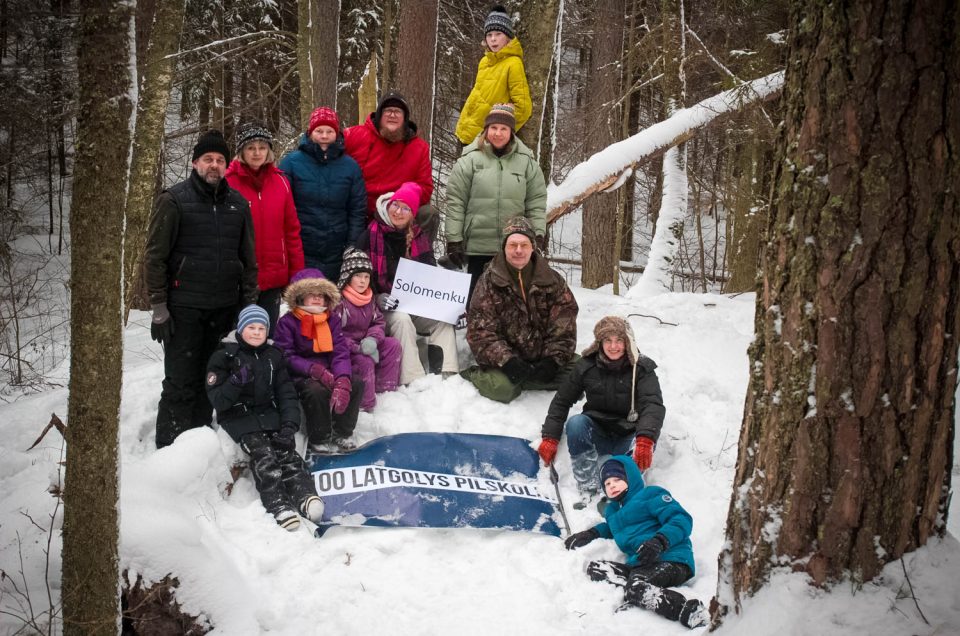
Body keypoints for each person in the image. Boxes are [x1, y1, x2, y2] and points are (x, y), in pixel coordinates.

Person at [145, 129, 258, 449]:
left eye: (220, 160)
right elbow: (155, 258)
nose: (214, 165)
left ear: (227, 166)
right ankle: (168, 451)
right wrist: (159, 308)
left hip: (224, 309)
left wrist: (247, 309)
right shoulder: (174, 200)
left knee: (213, 378)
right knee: (181, 382)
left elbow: (249, 262)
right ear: (195, 163)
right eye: (208, 159)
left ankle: (196, 447)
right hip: (183, 310)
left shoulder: (238, 205)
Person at [205, 305, 324, 531]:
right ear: (241, 329)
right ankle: (278, 505)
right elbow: (218, 400)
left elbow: (286, 393)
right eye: (251, 327)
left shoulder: (274, 355)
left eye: (262, 328)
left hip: (268, 415)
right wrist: (235, 382)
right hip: (238, 417)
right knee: (264, 455)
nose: (257, 332)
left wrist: (289, 425)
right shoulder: (224, 356)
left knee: (287, 453)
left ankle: (305, 496)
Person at [563, 457, 708, 629]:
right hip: (643, 564)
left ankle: (687, 610)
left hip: (672, 558)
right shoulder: (614, 513)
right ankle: (638, 593)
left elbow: (680, 518)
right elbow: (612, 528)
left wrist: (660, 541)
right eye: (607, 484)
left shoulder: (650, 495)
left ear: (630, 477)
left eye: (617, 479)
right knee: (597, 568)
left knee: (635, 586)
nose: (612, 485)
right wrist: (591, 533)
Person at [538, 316, 665, 507]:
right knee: (576, 423)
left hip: (628, 433)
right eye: (608, 340)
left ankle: (624, 495)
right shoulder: (586, 366)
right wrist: (550, 437)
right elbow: (562, 400)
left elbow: (652, 404)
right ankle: (588, 486)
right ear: (599, 342)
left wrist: (646, 438)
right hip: (597, 432)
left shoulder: (642, 368)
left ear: (628, 341)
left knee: (641, 446)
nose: (613, 346)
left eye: (619, 340)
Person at [463, 216, 577, 403]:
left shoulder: (553, 280)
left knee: (582, 370)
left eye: (524, 245)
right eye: (512, 245)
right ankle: (479, 375)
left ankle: (528, 380)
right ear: (504, 248)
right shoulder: (488, 282)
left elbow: (565, 325)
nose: (518, 250)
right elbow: (480, 333)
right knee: (502, 390)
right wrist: (508, 362)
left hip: (543, 355)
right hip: (506, 361)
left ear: (532, 247)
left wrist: (552, 361)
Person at [356, 182, 460, 384]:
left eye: (406, 208)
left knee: (443, 319)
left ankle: (448, 375)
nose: (399, 212)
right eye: (396, 205)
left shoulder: (418, 236)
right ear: (389, 205)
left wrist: (451, 305)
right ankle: (413, 379)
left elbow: (430, 277)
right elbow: (355, 278)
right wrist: (376, 297)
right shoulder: (370, 235)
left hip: (413, 302)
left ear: (412, 214)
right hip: (381, 308)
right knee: (402, 319)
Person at [445, 102, 547, 300]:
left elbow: (536, 202)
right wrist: (454, 240)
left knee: (511, 302)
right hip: (477, 245)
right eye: (493, 128)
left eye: (503, 129)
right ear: (486, 129)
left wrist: (538, 234)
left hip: (514, 246)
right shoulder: (469, 160)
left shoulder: (527, 163)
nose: (498, 133)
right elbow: (456, 201)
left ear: (511, 132)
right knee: (476, 301)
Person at [225, 122, 305, 334]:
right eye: (251, 148)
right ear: (242, 151)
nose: (257, 153)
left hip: (273, 277)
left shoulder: (281, 182)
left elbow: (292, 232)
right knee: (238, 339)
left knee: (266, 337)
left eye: (262, 147)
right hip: (239, 280)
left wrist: (296, 276)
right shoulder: (228, 183)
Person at [274, 268, 364, 453]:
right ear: (300, 297)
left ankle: (342, 431)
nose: (316, 298)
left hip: (330, 368)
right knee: (316, 391)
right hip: (301, 373)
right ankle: (319, 436)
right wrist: (313, 370)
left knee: (356, 383)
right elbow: (286, 355)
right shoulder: (288, 322)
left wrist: (342, 378)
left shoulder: (332, 319)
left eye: (320, 295)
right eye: (311, 294)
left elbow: (340, 352)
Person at [278, 106, 366, 280]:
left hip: (337, 250)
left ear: (337, 134)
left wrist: (352, 245)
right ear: (310, 133)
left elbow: (357, 210)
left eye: (329, 131)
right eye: (319, 131)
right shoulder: (291, 163)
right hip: (302, 248)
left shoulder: (350, 166)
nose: (324, 136)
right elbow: (281, 206)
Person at [343, 91, 436, 236]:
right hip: (359, 209)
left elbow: (425, 187)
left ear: (405, 118)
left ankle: (417, 256)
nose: (392, 115)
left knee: (428, 213)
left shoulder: (419, 148)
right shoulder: (355, 135)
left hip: (397, 212)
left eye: (398, 111)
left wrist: (400, 200)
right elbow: (327, 146)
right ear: (379, 115)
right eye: (388, 111)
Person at [334, 247, 402, 411]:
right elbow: (334, 334)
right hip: (346, 350)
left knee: (393, 345)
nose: (363, 281)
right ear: (347, 277)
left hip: (368, 343)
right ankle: (366, 404)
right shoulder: (339, 303)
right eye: (357, 276)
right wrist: (358, 348)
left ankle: (386, 390)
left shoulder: (369, 299)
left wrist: (372, 339)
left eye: (366, 276)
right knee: (364, 362)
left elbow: (378, 322)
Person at [454, 5, 532, 146]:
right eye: (489, 35)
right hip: (465, 134)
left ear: (508, 37)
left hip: (485, 142)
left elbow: (524, 108)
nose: (493, 39)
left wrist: (498, 135)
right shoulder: (485, 61)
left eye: (498, 34)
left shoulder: (513, 63)